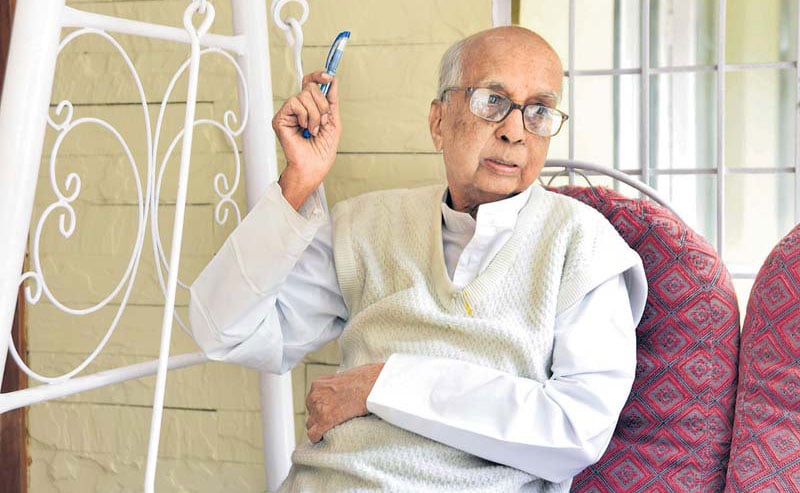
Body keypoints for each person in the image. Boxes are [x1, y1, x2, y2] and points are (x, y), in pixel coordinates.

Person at [189, 26, 647, 492]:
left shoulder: (583, 243)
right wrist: (299, 181)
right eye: (492, 101)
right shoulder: (365, 224)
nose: (514, 131)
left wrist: (380, 386)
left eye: (540, 111)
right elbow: (228, 332)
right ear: (438, 121)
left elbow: (576, 430)